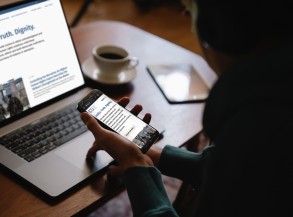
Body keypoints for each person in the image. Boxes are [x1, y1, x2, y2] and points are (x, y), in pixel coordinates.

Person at [81, 0, 293, 216]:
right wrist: (151, 155)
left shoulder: (253, 123)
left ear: (215, 27)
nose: (188, 19)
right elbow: (245, 174)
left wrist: (138, 167)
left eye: (189, 10)